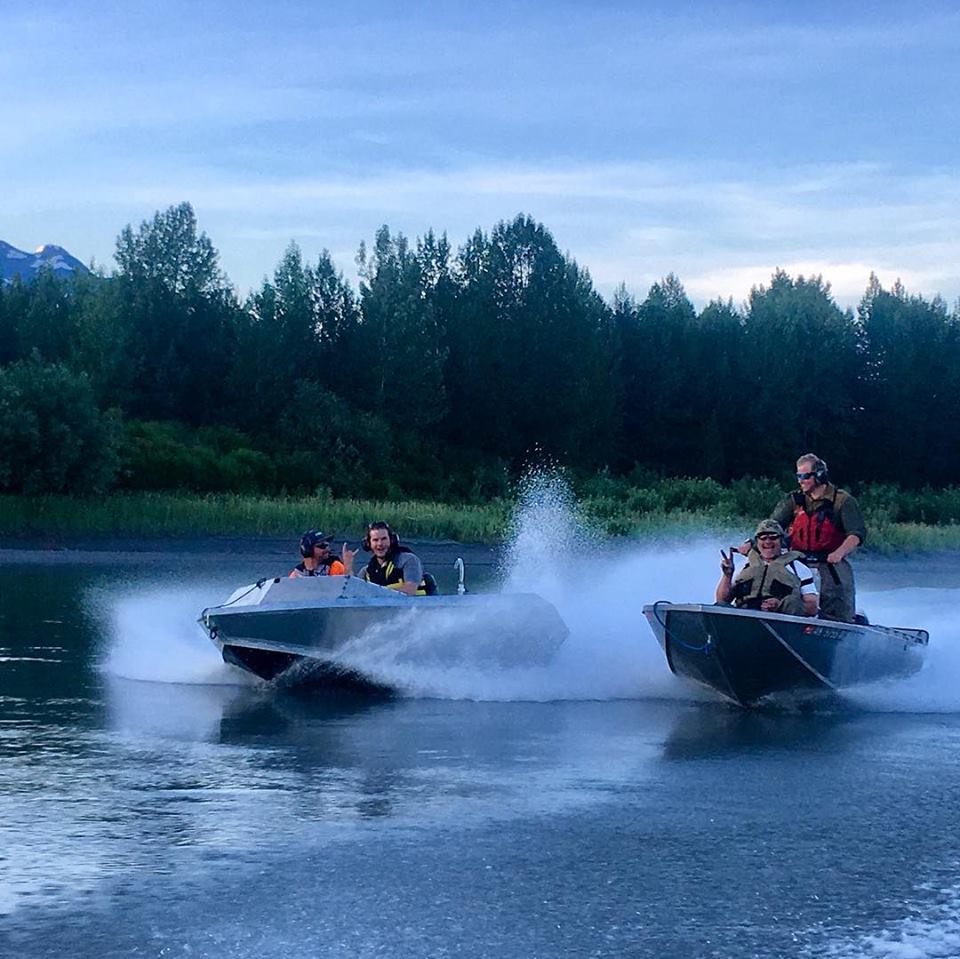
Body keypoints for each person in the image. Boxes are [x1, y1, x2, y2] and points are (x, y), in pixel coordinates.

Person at [769, 453, 866, 623]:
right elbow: (772, 526)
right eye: (798, 476)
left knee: (837, 606)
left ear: (820, 475)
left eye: (805, 476)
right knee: (787, 598)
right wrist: (752, 544)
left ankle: (847, 622)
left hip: (830, 565)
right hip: (798, 563)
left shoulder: (842, 501)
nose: (800, 481)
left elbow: (856, 533)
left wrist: (839, 553)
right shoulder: (794, 500)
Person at [718, 519, 818, 616]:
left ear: (781, 540)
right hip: (744, 617)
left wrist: (780, 605)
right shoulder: (743, 566)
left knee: (792, 600)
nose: (768, 542)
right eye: (763, 538)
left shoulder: (798, 568)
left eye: (773, 537)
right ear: (757, 541)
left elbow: (812, 607)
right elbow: (722, 600)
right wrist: (727, 575)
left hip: (779, 621)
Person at [345, 521, 437, 596]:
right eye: (375, 540)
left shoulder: (408, 560)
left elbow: (410, 590)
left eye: (384, 539)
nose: (380, 544)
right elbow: (354, 593)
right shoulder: (366, 572)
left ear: (392, 540)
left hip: (417, 609)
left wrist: (375, 594)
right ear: (368, 544)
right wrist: (348, 568)